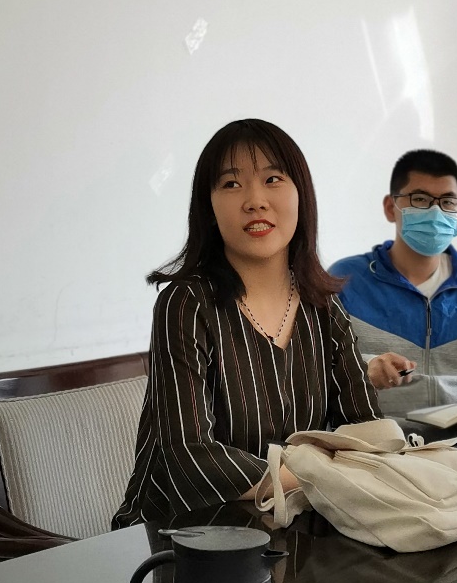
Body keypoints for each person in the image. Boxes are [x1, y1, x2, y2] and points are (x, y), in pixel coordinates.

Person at [113, 119, 381, 527]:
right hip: (184, 538)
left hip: (295, 529)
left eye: (273, 179)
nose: (255, 200)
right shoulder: (185, 304)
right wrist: (321, 477)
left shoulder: (324, 310)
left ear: (301, 195)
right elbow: (189, 456)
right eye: (232, 184)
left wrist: (336, 476)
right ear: (209, 208)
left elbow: (365, 433)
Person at [329, 149, 457, 456]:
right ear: (391, 207)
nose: (436, 212)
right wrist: (365, 369)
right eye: (420, 199)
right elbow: (316, 369)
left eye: (448, 201)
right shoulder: (345, 278)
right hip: (377, 455)